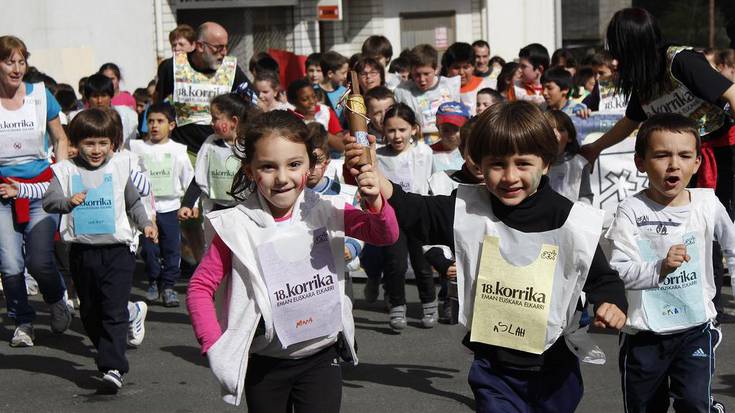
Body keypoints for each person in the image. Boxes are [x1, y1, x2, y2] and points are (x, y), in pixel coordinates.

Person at [345, 100, 628, 412]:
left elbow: (603, 278)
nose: (509, 176)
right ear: (478, 164)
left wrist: (611, 303)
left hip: (554, 366)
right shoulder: (467, 208)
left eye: (523, 164)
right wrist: (378, 178)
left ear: (546, 163)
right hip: (494, 368)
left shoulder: (572, 221)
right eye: (497, 164)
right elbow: (416, 210)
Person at [186, 110, 398, 410]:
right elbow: (199, 289)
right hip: (266, 364)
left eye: (294, 164)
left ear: (311, 164)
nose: (282, 178)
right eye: (268, 167)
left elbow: (383, 234)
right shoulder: (235, 227)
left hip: (322, 358)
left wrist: (376, 201)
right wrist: (214, 344)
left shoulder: (327, 208)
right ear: (249, 170)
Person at [580, 8, 735, 325]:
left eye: (616, 49)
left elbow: (732, 94)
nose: (613, 59)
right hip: (686, 159)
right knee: (696, 231)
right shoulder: (643, 80)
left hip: (723, 152)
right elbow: (630, 122)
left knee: (723, 229)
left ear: (631, 44)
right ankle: (708, 306)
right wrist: (595, 147)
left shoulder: (680, 61)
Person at [605, 114, 730, 413]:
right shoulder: (630, 210)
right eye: (661, 155)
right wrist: (659, 268)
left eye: (684, 155)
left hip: (694, 327)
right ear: (641, 162)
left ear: (697, 163)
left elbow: (733, 247)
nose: (674, 164)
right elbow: (619, 269)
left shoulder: (706, 203)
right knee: (644, 407)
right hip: (644, 334)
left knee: (694, 402)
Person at [43, 108, 157, 392]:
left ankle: (113, 367)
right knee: (91, 312)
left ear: (113, 143)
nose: (96, 150)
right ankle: (111, 346)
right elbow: (49, 201)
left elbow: (133, 202)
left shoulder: (119, 167)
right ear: (76, 143)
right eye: (89, 143)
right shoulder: (65, 170)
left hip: (118, 250)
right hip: (82, 252)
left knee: (113, 308)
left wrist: (145, 225)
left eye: (103, 143)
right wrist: (67, 203)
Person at [0, 35, 72, 347]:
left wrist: (61, 176)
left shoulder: (41, 96)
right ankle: (23, 321)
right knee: (11, 264)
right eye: (9, 61)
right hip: (3, 191)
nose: (16, 68)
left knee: (40, 260)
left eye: (21, 61)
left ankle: (57, 298)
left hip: (40, 188)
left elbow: (61, 139)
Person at [361, 103, 437, 331]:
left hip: (419, 215)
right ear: (383, 131)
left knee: (423, 264)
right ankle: (397, 306)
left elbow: (432, 182)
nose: (397, 135)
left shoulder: (424, 152)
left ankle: (429, 304)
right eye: (391, 130)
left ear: (413, 129)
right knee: (395, 265)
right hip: (393, 218)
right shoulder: (380, 156)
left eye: (402, 129)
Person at [155, 21, 255, 158]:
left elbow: (253, 101)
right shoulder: (172, 66)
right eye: (219, 48)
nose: (224, 52)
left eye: (226, 47)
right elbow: (158, 105)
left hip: (220, 151)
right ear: (201, 46)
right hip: (184, 151)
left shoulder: (230, 68)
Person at [130, 103, 193, 306]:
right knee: (148, 250)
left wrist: (192, 204)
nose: (154, 126)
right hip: (145, 210)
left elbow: (189, 178)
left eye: (160, 121)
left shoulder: (178, 150)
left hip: (171, 208)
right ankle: (153, 281)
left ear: (172, 125)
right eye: (150, 121)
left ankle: (168, 287)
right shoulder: (136, 148)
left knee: (172, 250)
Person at [179, 93, 255, 244]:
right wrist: (187, 204)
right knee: (216, 248)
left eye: (215, 118)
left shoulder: (250, 146)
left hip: (244, 210)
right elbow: (200, 177)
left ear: (233, 121)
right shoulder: (210, 144)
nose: (211, 123)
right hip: (217, 210)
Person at [393, 44, 461, 143]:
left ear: (436, 69)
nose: (422, 80)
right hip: (418, 146)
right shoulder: (403, 92)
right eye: (417, 75)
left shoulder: (450, 86)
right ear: (411, 71)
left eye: (426, 74)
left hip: (448, 145)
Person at [72, 73, 138, 146]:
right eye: (95, 96)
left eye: (104, 95)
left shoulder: (127, 116)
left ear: (111, 95)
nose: (99, 101)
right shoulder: (78, 118)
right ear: (87, 97)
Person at [544, 110, 592, 204]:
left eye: (561, 130)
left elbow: (585, 196)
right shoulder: (535, 163)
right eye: (550, 129)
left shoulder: (580, 164)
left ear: (570, 137)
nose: (555, 134)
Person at [286, 79, 343, 154]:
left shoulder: (325, 112)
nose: (312, 101)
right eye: (305, 99)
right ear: (293, 102)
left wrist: (322, 132)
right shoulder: (290, 119)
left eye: (314, 96)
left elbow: (342, 146)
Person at [443, 42, 493, 116]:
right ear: (448, 68)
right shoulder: (442, 89)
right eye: (456, 68)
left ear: (473, 67)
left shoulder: (485, 86)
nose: (461, 72)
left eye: (466, 67)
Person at [431, 101, 470, 173]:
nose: (451, 134)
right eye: (446, 130)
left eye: (455, 129)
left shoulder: (472, 153)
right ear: (438, 128)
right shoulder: (428, 154)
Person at [318, 51, 349, 119]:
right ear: (330, 74)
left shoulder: (345, 92)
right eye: (343, 73)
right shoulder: (314, 92)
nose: (345, 76)